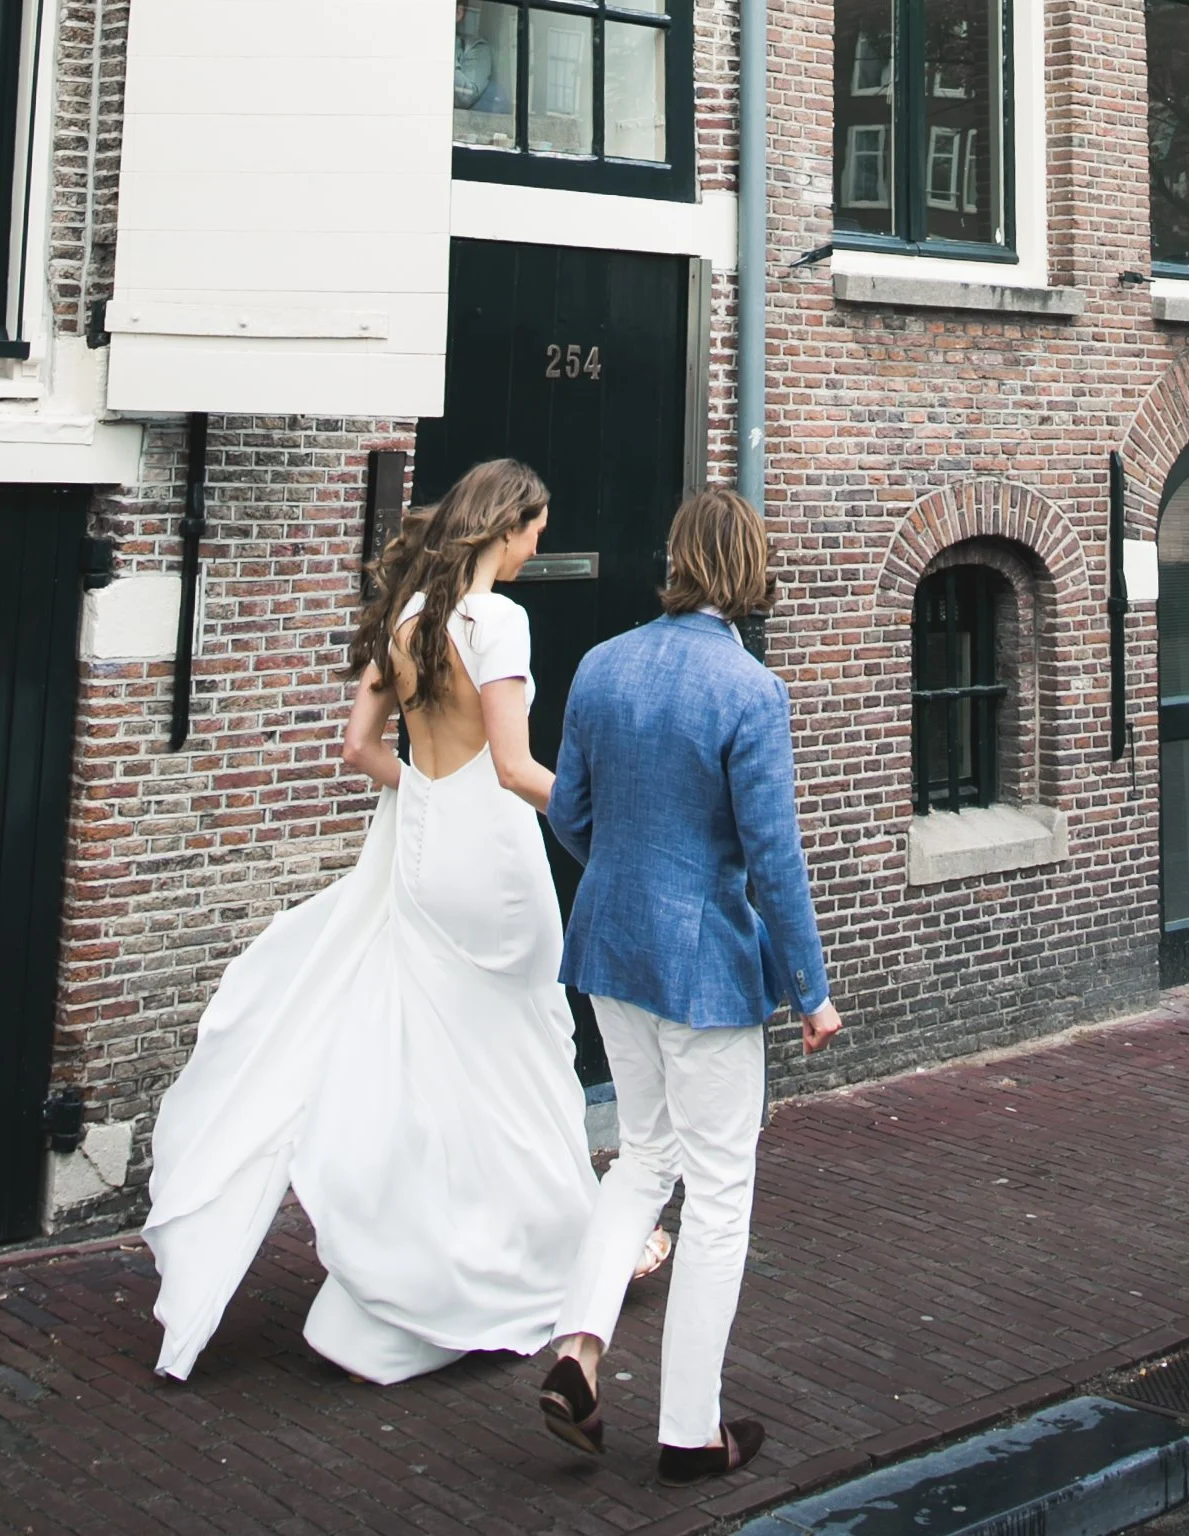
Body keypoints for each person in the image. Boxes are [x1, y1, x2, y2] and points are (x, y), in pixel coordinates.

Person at [145, 458, 597, 1384]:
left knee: (442, 1059)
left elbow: (358, 748)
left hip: (424, 854)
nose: (536, 547)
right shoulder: (497, 621)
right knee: (522, 1054)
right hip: (495, 861)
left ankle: (432, 1263)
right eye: (535, 530)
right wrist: (610, 825)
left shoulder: (407, 619)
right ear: (505, 524)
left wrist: (427, 793)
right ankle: (529, 1260)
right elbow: (515, 767)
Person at [535, 484, 841, 1483]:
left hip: (609, 947)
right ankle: (687, 1431)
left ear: (675, 559)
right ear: (748, 570)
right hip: (703, 967)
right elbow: (774, 856)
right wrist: (810, 988)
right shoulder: (750, 691)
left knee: (641, 1159)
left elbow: (568, 810)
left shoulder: (602, 664)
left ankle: (579, 1352)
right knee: (717, 1195)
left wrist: (626, 875)